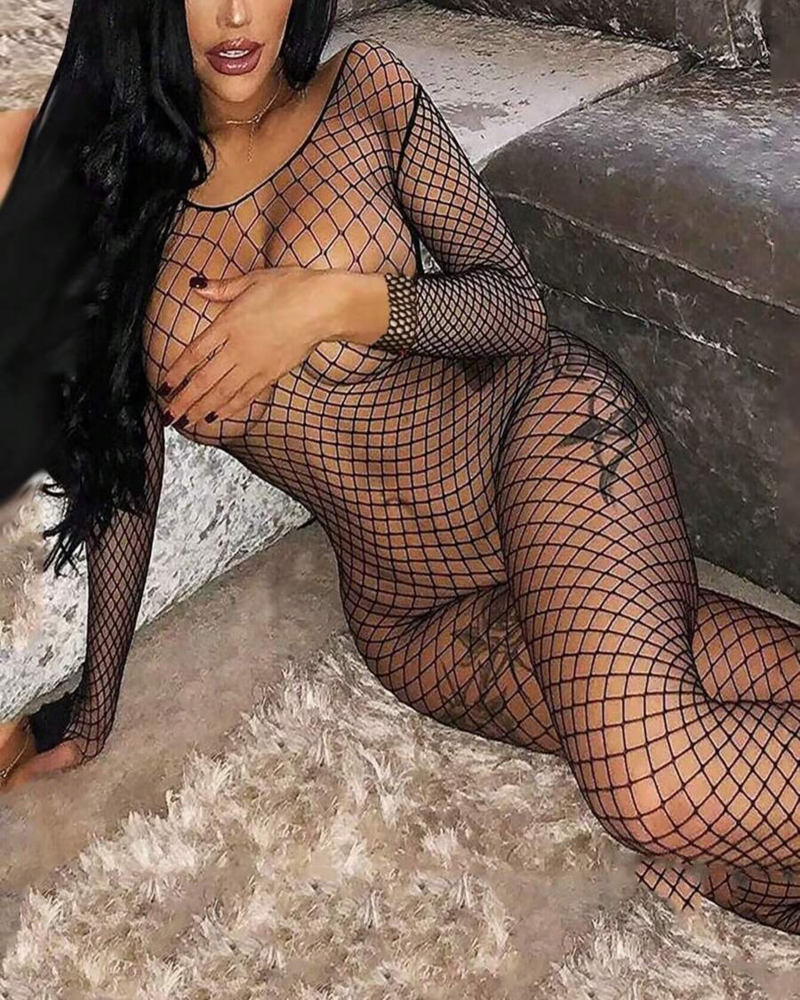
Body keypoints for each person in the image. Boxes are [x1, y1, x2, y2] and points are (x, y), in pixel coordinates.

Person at [2, 0, 799, 934]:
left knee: (652, 788)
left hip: (536, 445)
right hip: (415, 615)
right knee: (699, 750)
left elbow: (515, 311)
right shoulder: (120, 205)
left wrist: (334, 304)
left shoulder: (364, 89)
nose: (234, 15)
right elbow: (128, 468)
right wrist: (93, 707)